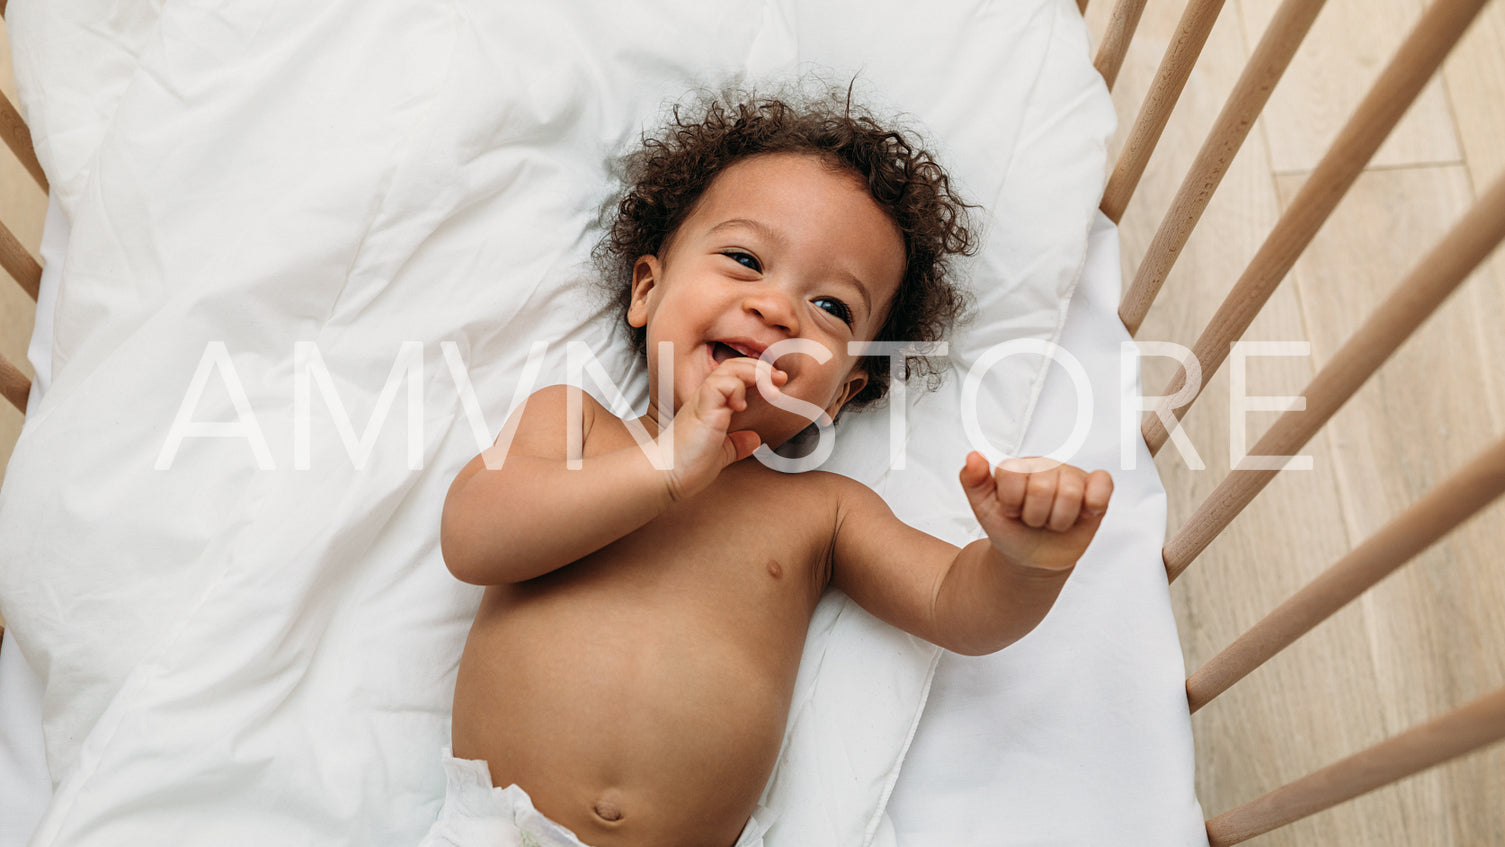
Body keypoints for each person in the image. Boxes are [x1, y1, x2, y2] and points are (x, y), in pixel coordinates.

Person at [430, 89, 1114, 847]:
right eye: (745, 260)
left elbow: (957, 605)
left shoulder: (822, 511)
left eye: (831, 307)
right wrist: (661, 467)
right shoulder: (576, 422)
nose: (778, 310)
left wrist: (1024, 562)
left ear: (843, 390)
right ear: (646, 291)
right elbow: (473, 536)